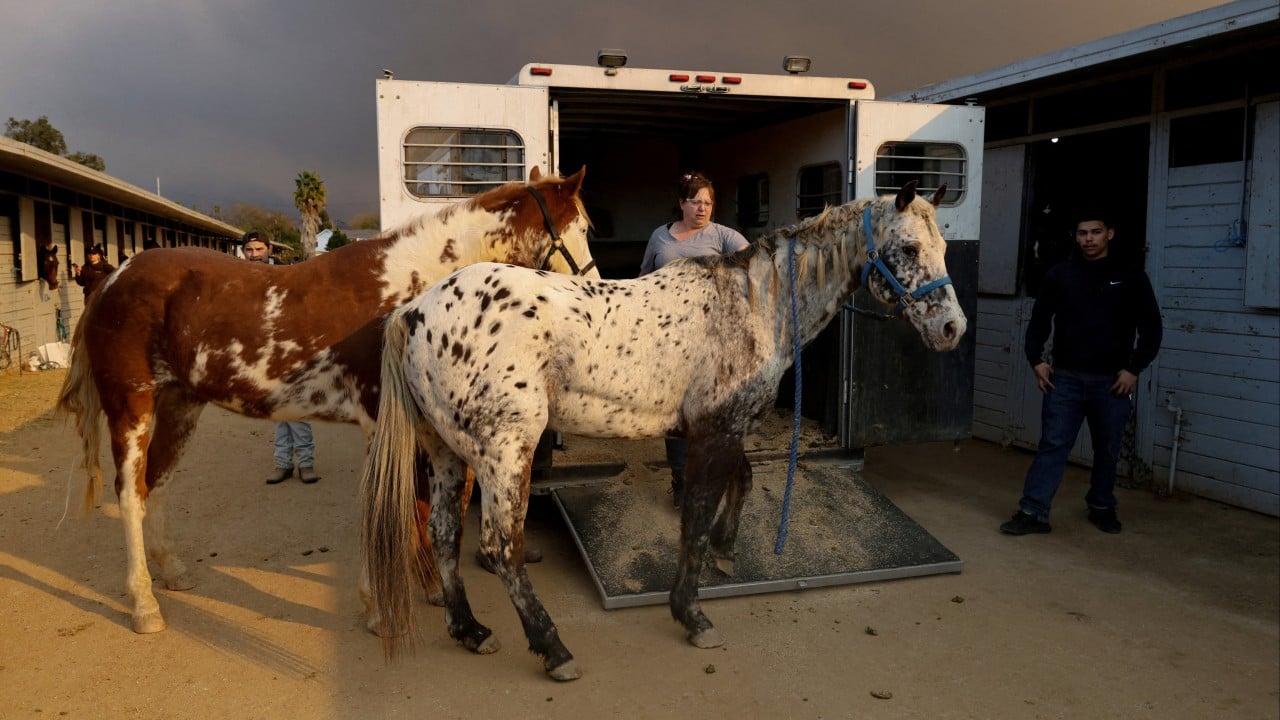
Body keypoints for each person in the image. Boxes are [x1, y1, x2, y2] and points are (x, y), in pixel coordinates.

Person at [1001, 210, 1161, 536]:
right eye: (1082, 233)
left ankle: (1102, 506)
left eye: (1095, 232)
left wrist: (1133, 369)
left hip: (1112, 382)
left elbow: (1152, 329)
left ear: (1110, 234)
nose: (1088, 239)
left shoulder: (1129, 276)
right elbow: (1040, 321)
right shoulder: (1061, 275)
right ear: (1076, 236)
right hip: (1066, 379)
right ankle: (1033, 512)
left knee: (1108, 449)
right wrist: (1036, 360)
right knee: (1053, 444)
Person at [640, 170, 749, 508]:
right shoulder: (661, 236)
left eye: (708, 202)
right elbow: (643, 277)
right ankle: (681, 481)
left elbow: (755, 262)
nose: (702, 208)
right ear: (681, 203)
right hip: (668, 337)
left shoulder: (723, 236)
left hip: (711, 338)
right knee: (676, 414)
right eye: (695, 201)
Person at [241, 231, 321, 485]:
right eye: (249, 250)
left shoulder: (286, 276)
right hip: (263, 355)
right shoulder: (240, 278)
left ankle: (306, 464)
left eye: (259, 249)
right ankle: (283, 464)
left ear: (270, 250)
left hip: (290, 351)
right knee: (276, 411)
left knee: (295, 409)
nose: (254, 255)